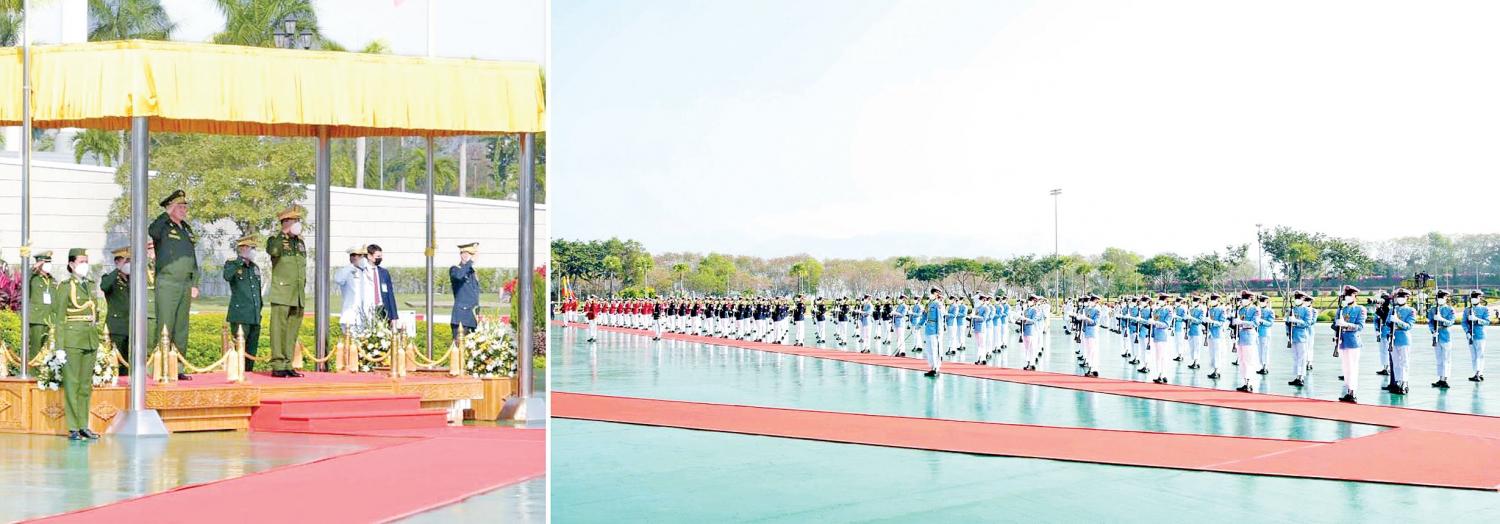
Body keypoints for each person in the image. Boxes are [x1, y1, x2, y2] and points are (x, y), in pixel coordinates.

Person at [148, 189, 198, 381]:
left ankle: (177, 367)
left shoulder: (186, 229)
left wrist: (194, 282)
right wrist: (166, 214)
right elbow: (152, 231)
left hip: (185, 283)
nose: (184, 210)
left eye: (185, 207)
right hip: (167, 282)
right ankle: (160, 367)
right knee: (165, 324)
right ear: (171, 208)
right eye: (181, 207)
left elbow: (192, 258)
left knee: (181, 327)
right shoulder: (163, 226)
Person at [55, 249, 101, 441]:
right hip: (72, 339)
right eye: (81, 261)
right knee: (72, 384)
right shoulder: (65, 286)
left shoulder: (89, 284)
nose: (85, 265)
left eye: (86, 261)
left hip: (89, 338)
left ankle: (83, 425)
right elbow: (59, 319)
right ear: (71, 264)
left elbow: (96, 312)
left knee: (85, 385)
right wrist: (59, 347)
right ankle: (73, 427)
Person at [267, 207, 307, 378]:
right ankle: (278, 364)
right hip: (282, 292)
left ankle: (288, 363)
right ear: (286, 222)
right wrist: (283, 233)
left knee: (292, 331)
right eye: (294, 221)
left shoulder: (300, 242)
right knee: (279, 329)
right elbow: (273, 251)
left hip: (297, 294)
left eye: (298, 221)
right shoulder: (275, 240)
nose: (298, 224)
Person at [223, 235, 264, 374]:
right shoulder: (232, 263)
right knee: (239, 350)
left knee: (251, 350)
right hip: (240, 315)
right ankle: (237, 374)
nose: (254, 251)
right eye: (252, 248)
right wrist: (240, 260)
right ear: (244, 248)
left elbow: (256, 291)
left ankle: (248, 374)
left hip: (254, 315)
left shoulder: (254, 267)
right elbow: (227, 276)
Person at [1335, 285, 1368, 402]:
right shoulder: (1341, 309)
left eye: (1350, 295)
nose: (1347, 297)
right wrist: (1337, 326)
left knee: (1352, 367)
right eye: (1346, 295)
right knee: (1345, 368)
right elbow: (1335, 325)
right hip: (1343, 341)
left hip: (1353, 342)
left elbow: (1360, 326)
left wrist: (1346, 324)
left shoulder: (1360, 309)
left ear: (1355, 296)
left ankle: (1353, 392)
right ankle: (1348, 390)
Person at [335, 245, 377, 331]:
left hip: (366, 319)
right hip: (351, 318)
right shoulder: (347, 271)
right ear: (353, 257)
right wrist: (352, 265)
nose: (364, 259)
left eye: (365, 256)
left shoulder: (366, 271)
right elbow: (338, 279)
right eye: (361, 256)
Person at [26, 250, 57, 359]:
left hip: (50, 319)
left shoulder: (52, 280)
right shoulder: (33, 279)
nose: (49, 265)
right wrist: (33, 268)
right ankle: (33, 369)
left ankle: (45, 369)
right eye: (46, 263)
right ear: (39, 264)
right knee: (36, 349)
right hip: (37, 318)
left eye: (49, 262)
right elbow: (23, 280)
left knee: (49, 348)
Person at [450, 243, 482, 338]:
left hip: (472, 317)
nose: (471, 257)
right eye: (467, 254)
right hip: (461, 317)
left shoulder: (472, 272)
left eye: (471, 255)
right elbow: (459, 276)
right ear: (462, 254)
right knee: (459, 345)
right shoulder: (455, 269)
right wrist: (470, 262)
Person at [1286, 291, 1316, 387]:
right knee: (1295, 357)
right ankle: (1297, 376)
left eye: (1299, 298)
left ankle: (1301, 377)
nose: (1297, 300)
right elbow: (1287, 323)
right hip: (1293, 336)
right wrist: (1288, 333)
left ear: (1303, 299)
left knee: (1302, 358)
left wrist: (1296, 321)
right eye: (1296, 298)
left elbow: (1308, 323)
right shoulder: (1292, 309)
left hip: (1302, 336)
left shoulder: (1307, 310)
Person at [1233, 291, 1261, 392]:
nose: (1243, 300)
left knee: (1249, 361)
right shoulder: (1240, 310)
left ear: (1250, 299)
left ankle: (1250, 383)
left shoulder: (1255, 309)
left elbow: (1255, 323)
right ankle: (1245, 382)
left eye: (1245, 298)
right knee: (1242, 361)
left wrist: (1242, 322)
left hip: (1249, 336)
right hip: (1240, 336)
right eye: (1243, 298)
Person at [1430, 290, 1456, 389]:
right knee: (1439, 359)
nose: (1440, 299)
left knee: (1446, 359)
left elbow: (1451, 322)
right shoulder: (1433, 309)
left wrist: (1441, 319)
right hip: (1436, 335)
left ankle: (1445, 378)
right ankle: (1440, 378)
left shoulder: (1450, 309)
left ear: (1446, 298)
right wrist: (1432, 331)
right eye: (1439, 297)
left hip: (1445, 335)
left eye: (1442, 297)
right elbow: (1430, 322)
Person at [367, 244, 399, 326]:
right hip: (368, 309)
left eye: (381, 256)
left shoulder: (384, 272)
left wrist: (394, 317)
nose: (380, 258)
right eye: (378, 256)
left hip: (382, 310)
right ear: (369, 256)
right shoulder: (363, 272)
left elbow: (390, 295)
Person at [1463, 290, 1490, 382]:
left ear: (1480, 298)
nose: (1474, 298)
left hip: (1480, 335)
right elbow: (1464, 322)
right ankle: (1477, 373)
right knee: (1473, 356)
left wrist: (1477, 319)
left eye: (1476, 297)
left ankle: (1479, 373)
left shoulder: (1484, 309)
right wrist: (1467, 332)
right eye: (1473, 297)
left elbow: (1487, 322)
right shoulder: (1467, 310)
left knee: (1480, 355)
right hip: (1470, 335)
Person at [922, 287, 943, 377]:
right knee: (929, 350)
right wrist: (919, 325)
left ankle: (936, 369)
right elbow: (924, 315)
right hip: (928, 329)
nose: (932, 294)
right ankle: (932, 367)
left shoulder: (938, 304)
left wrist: (939, 331)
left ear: (937, 294)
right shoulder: (929, 303)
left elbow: (940, 318)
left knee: (935, 350)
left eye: (934, 293)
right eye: (932, 292)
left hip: (935, 329)